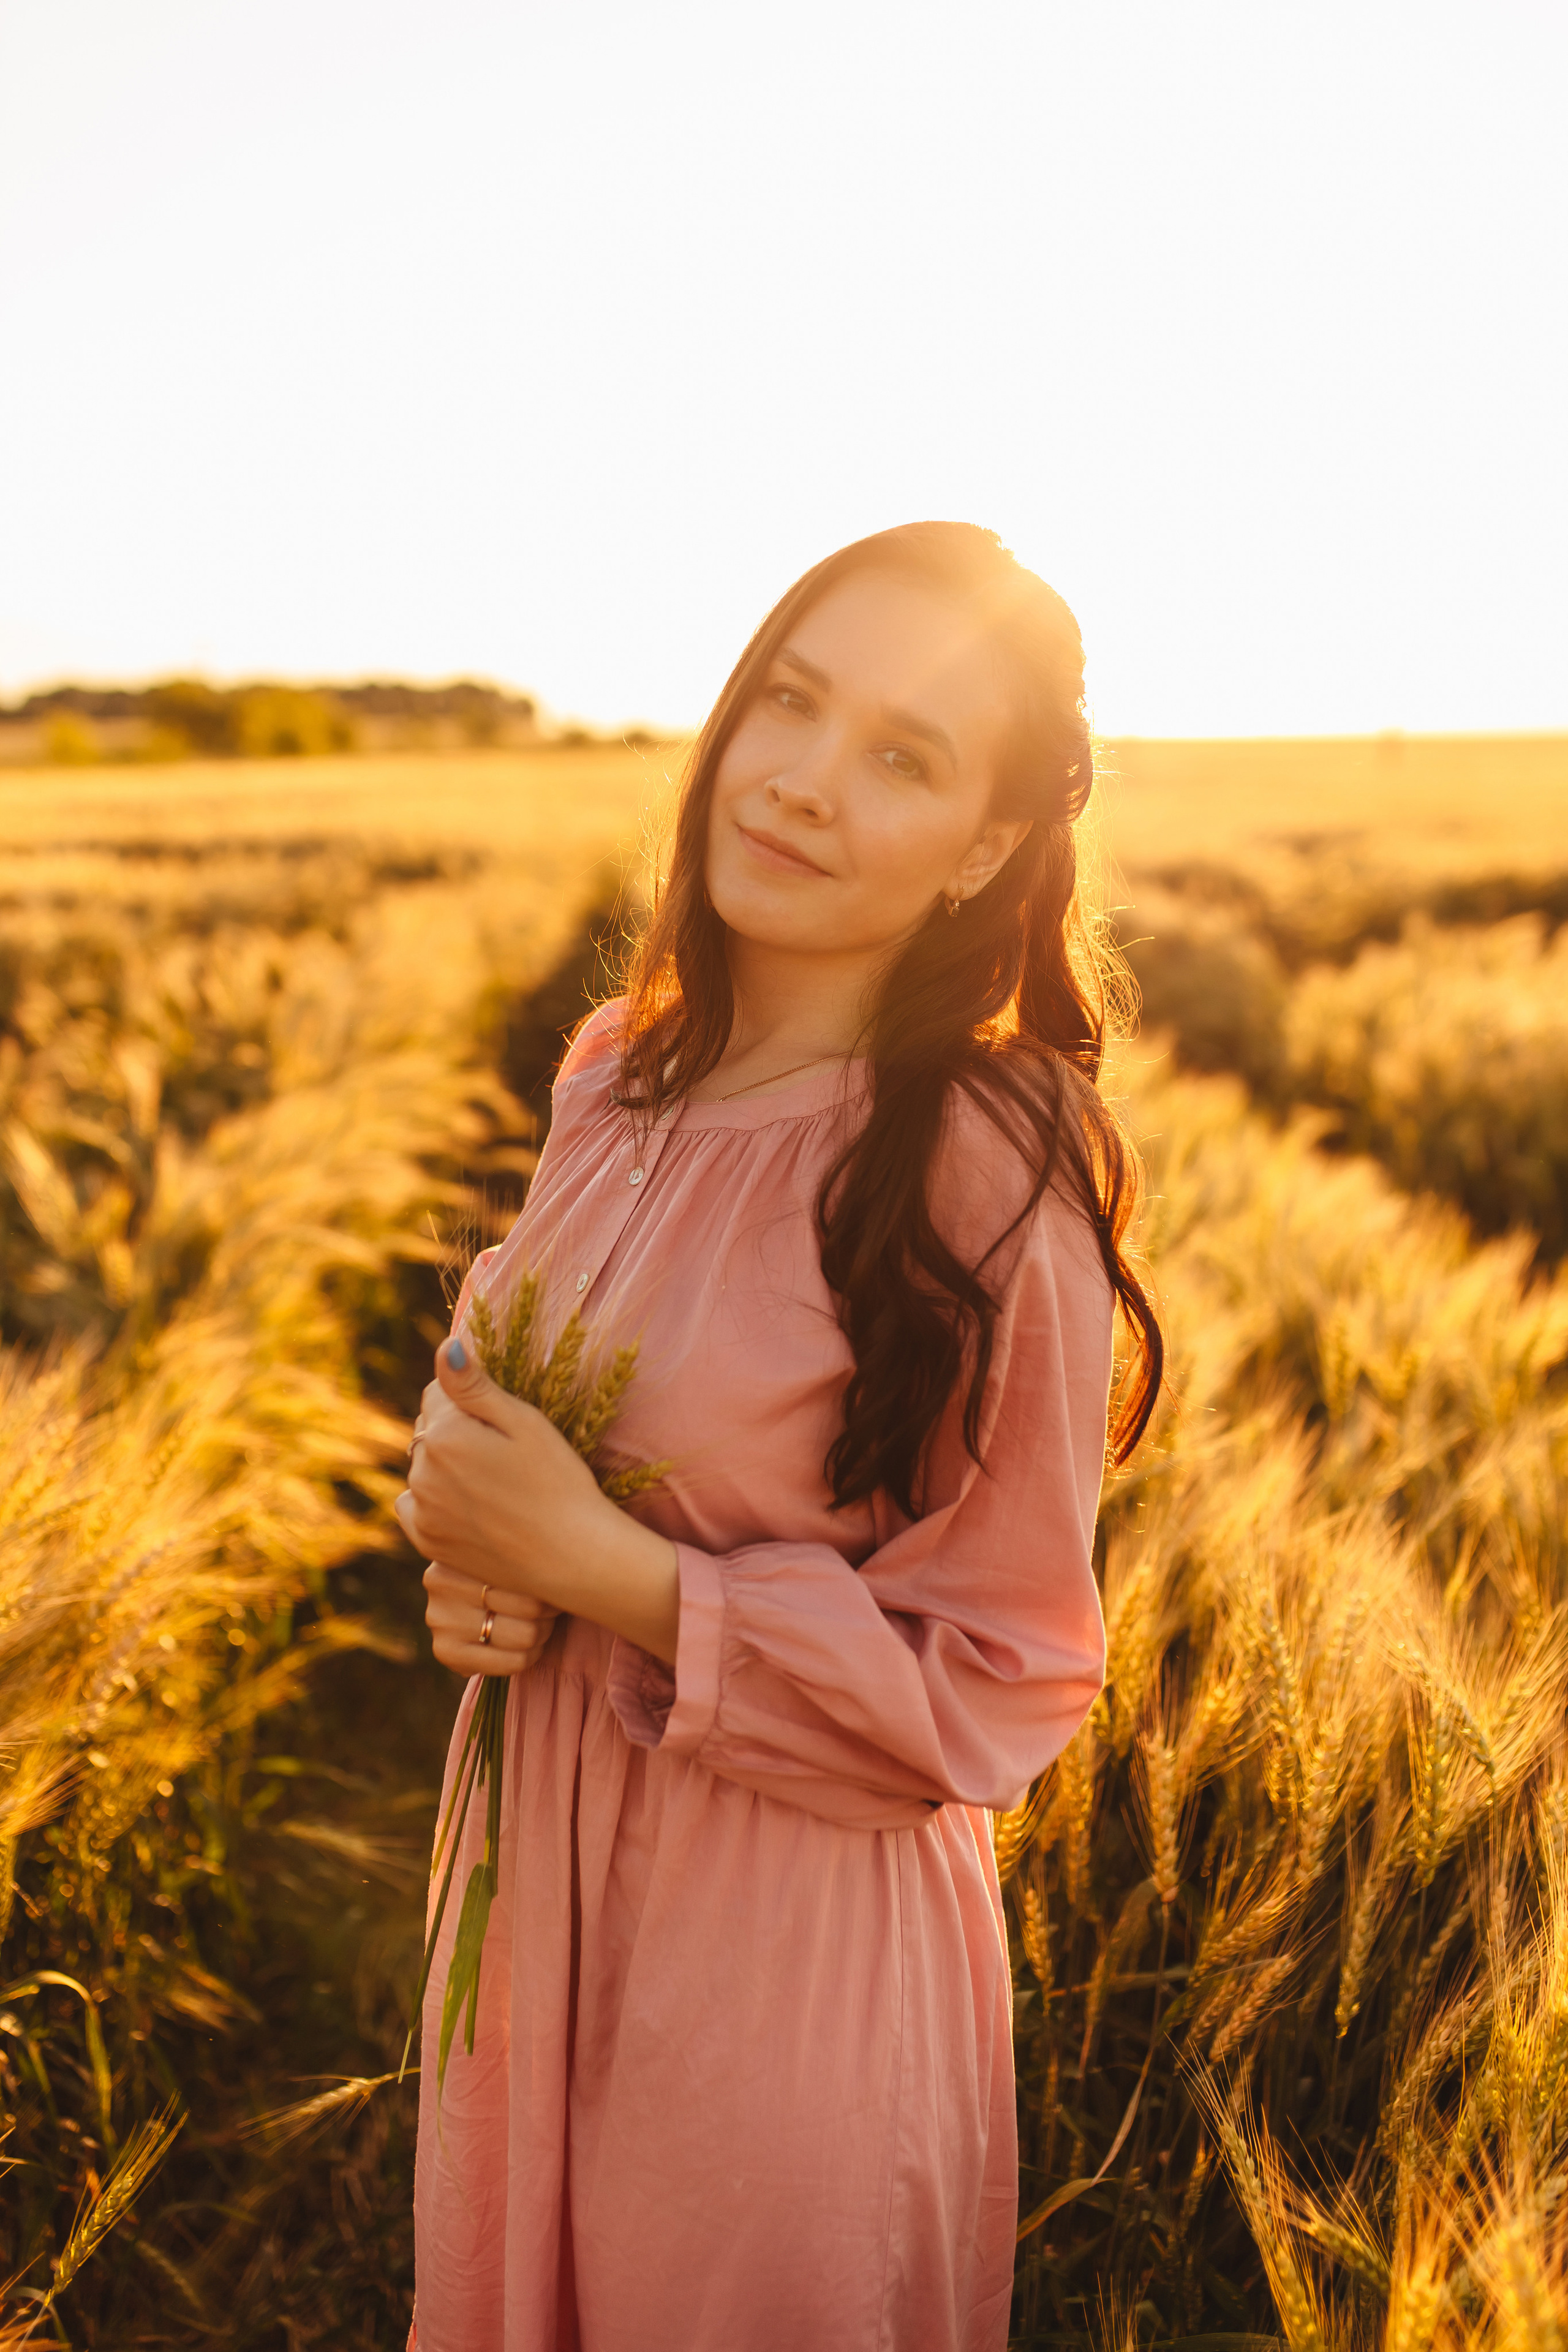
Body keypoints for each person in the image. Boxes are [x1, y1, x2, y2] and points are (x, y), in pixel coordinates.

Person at [395, 521, 1163, 2351]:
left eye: (901, 755)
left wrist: (610, 1574)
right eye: (791, 706)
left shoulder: (985, 1153)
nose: (808, 780)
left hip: (777, 1950)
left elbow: (1005, 1673)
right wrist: (477, 1560)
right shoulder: (616, 1074)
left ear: (984, 846)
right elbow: (534, 1410)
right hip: (528, 1893)